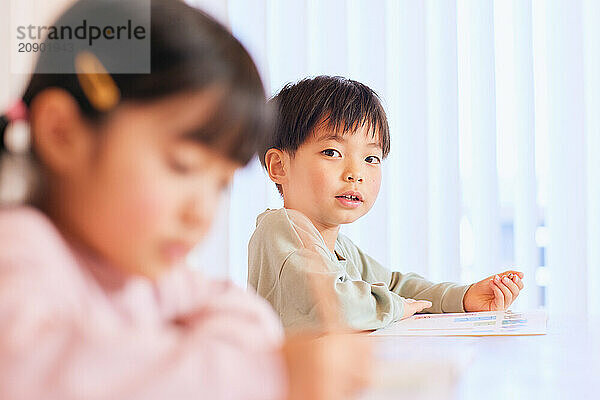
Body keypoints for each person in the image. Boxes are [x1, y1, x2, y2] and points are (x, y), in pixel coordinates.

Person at [0, 3, 371, 399]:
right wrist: (264, 375)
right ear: (62, 134)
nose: (201, 213)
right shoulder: (19, 248)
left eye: (219, 184)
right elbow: (33, 373)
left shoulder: (142, 272)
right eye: (182, 167)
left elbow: (245, 316)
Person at [248, 76, 525, 331]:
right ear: (279, 166)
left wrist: (462, 297)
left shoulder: (339, 247)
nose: (355, 173)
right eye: (332, 152)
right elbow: (336, 305)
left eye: (371, 159)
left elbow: (393, 285)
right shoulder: (281, 228)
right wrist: (398, 307)